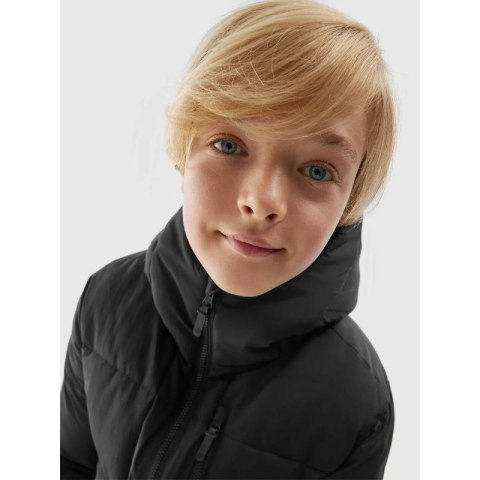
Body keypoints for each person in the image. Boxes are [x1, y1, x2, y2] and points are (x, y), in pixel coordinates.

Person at [60, 0, 396, 478]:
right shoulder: (108, 297)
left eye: (318, 171)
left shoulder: (358, 400)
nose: (262, 201)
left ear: (350, 201)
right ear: (184, 146)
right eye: (229, 144)